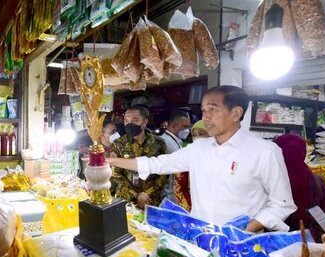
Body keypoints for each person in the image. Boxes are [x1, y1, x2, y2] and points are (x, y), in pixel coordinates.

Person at [108, 85, 296, 232]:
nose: (205, 118)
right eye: (204, 110)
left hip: (240, 244)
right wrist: (109, 161)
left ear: (236, 113)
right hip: (200, 238)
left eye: (213, 110)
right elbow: (157, 163)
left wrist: (248, 228)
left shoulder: (265, 152)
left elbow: (282, 204)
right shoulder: (199, 148)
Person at [111, 105, 167, 209]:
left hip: (150, 199)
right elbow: (116, 173)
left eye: (134, 120)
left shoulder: (158, 143)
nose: (129, 124)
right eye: (126, 121)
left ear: (144, 122)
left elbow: (163, 173)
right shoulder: (118, 144)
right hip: (126, 198)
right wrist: (135, 195)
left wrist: (146, 194)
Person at [274, 133, 325, 235]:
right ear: (303, 152)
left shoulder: (272, 182)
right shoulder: (319, 183)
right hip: (309, 242)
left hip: (276, 242)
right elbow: (324, 221)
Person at [159, 111, 191, 204]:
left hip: (173, 192)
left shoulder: (175, 141)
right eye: (185, 127)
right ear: (173, 126)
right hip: (168, 193)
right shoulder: (166, 143)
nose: (187, 131)